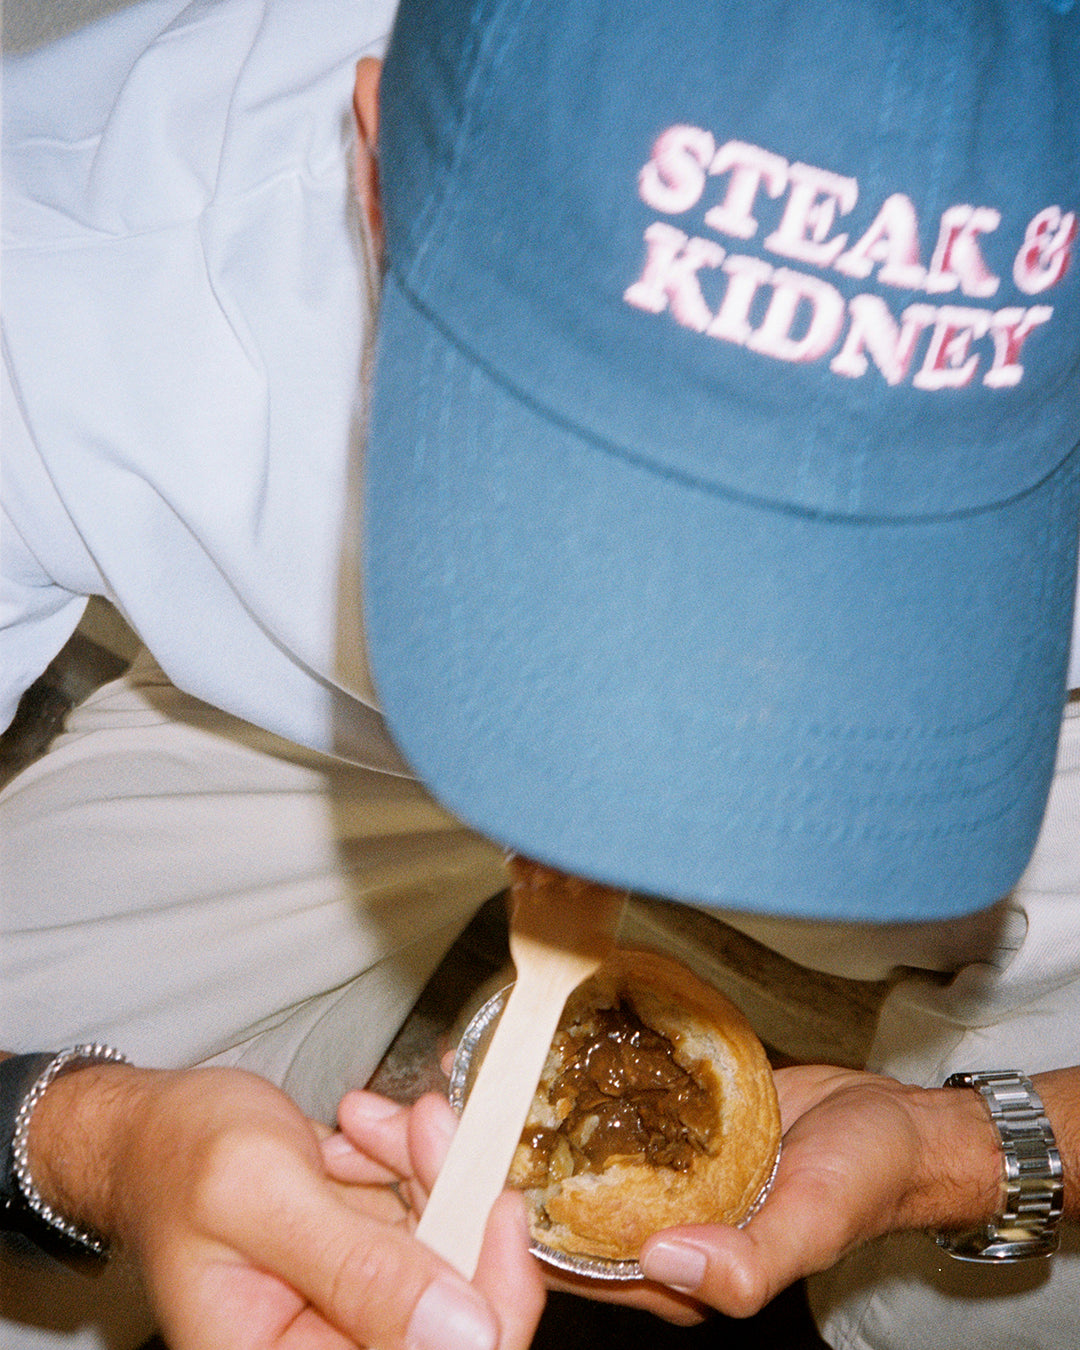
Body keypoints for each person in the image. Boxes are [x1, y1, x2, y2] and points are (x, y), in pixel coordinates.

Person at [1, 5, 1078, 1350]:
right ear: (378, 172)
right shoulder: (60, 283)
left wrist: (963, 1149)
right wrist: (87, 1144)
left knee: (1000, 1306)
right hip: (319, 736)